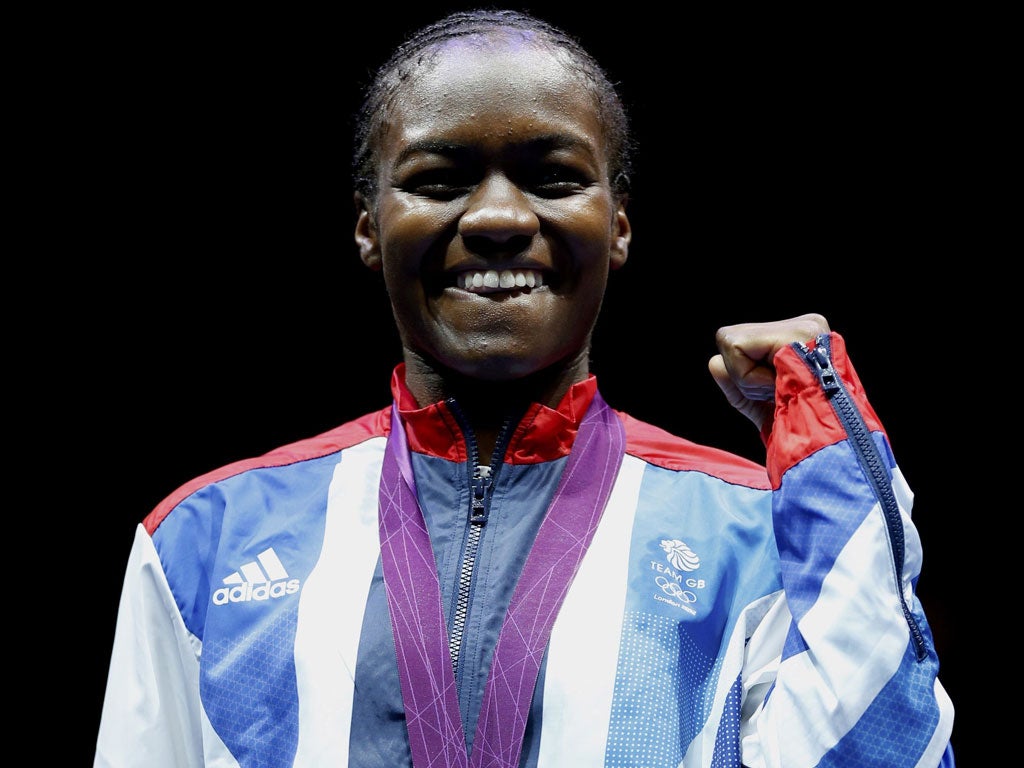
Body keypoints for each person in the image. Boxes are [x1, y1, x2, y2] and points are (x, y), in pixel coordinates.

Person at [94, 8, 955, 767]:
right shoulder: (203, 543)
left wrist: (837, 478)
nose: (500, 217)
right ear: (370, 229)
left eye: (553, 178)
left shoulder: (756, 532)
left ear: (616, 227)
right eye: (438, 180)